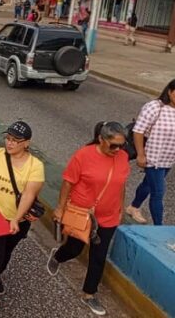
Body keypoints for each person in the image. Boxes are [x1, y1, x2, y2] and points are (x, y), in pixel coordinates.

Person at [48, 122, 130, 316]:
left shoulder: (123, 157)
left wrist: (120, 209)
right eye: (113, 145)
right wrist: (60, 208)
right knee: (74, 249)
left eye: (121, 145)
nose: (118, 150)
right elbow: (68, 182)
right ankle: (58, 256)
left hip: (108, 217)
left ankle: (89, 293)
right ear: (101, 139)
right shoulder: (83, 155)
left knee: (99, 256)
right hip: (83, 215)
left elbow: (121, 184)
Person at [0, 121, 44, 318]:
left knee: (6, 255)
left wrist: (16, 219)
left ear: (27, 143)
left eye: (16, 140)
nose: (10, 143)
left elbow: (29, 195)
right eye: (8, 138)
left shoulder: (35, 166)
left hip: (17, 223)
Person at [125, 79, 175, 225]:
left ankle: (133, 207)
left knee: (148, 184)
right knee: (158, 193)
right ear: (169, 91)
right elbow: (138, 131)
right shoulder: (155, 107)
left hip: (169, 158)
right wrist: (141, 154)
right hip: (153, 158)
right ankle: (159, 228)